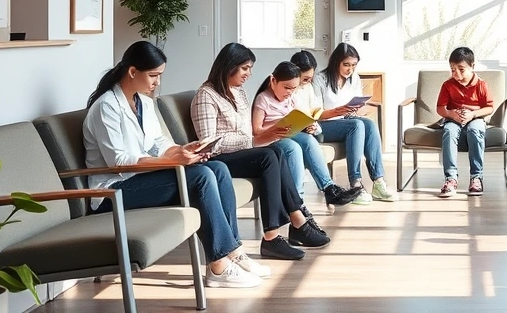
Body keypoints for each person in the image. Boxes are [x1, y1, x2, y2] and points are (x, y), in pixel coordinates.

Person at [83, 41, 265, 288]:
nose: (157, 83)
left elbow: (158, 143)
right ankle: (219, 266)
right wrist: (171, 160)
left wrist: (181, 150)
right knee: (199, 177)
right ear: (133, 72)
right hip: (112, 190)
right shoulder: (106, 107)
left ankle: (233, 251)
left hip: (139, 179)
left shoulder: (144, 103)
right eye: (153, 75)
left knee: (218, 169)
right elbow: (120, 163)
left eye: (160, 76)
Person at [191, 42, 330, 257]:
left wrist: (264, 136)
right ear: (229, 66)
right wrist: (253, 139)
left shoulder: (239, 92)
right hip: (219, 158)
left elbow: (247, 131)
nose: (249, 74)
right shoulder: (206, 96)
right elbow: (208, 142)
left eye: (250, 69)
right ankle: (279, 233)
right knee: (268, 156)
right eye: (245, 68)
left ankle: (295, 222)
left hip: (238, 152)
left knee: (277, 152)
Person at [251, 60, 362, 209]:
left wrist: (309, 125)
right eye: (286, 88)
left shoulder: (290, 97)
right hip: (271, 139)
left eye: (293, 88)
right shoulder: (263, 99)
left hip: (289, 134)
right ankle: (297, 202)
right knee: (293, 148)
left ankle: (330, 189)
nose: (289, 92)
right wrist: (278, 123)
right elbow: (256, 131)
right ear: (273, 81)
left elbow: (302, 115)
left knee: (309, 140)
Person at [312, 43, 397, 203]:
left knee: (369, 124)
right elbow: (316, 114)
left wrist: (357, 109)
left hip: (346, 121)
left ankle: (378, 181)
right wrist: (339, 111)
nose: (350, 69)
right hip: (324, 125)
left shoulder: (354, 78)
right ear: (336, 62)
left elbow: (355, 107)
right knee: (356, 125)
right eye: (346, 65)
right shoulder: (320, 79)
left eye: (353, 65)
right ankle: (355, 185)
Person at [435, 47, 495, 198]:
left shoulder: (481, 85)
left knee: (475, 130)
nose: (457, 74)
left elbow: (489, 107)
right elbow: (440, 108)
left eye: (461, 69)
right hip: (453, 120)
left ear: (472, 66)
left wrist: (473, 114)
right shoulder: (447, 85)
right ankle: (451, 179)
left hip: (475, 119)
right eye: (453, 69)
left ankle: (476, 177)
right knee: (449, 131)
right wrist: (450, 114)